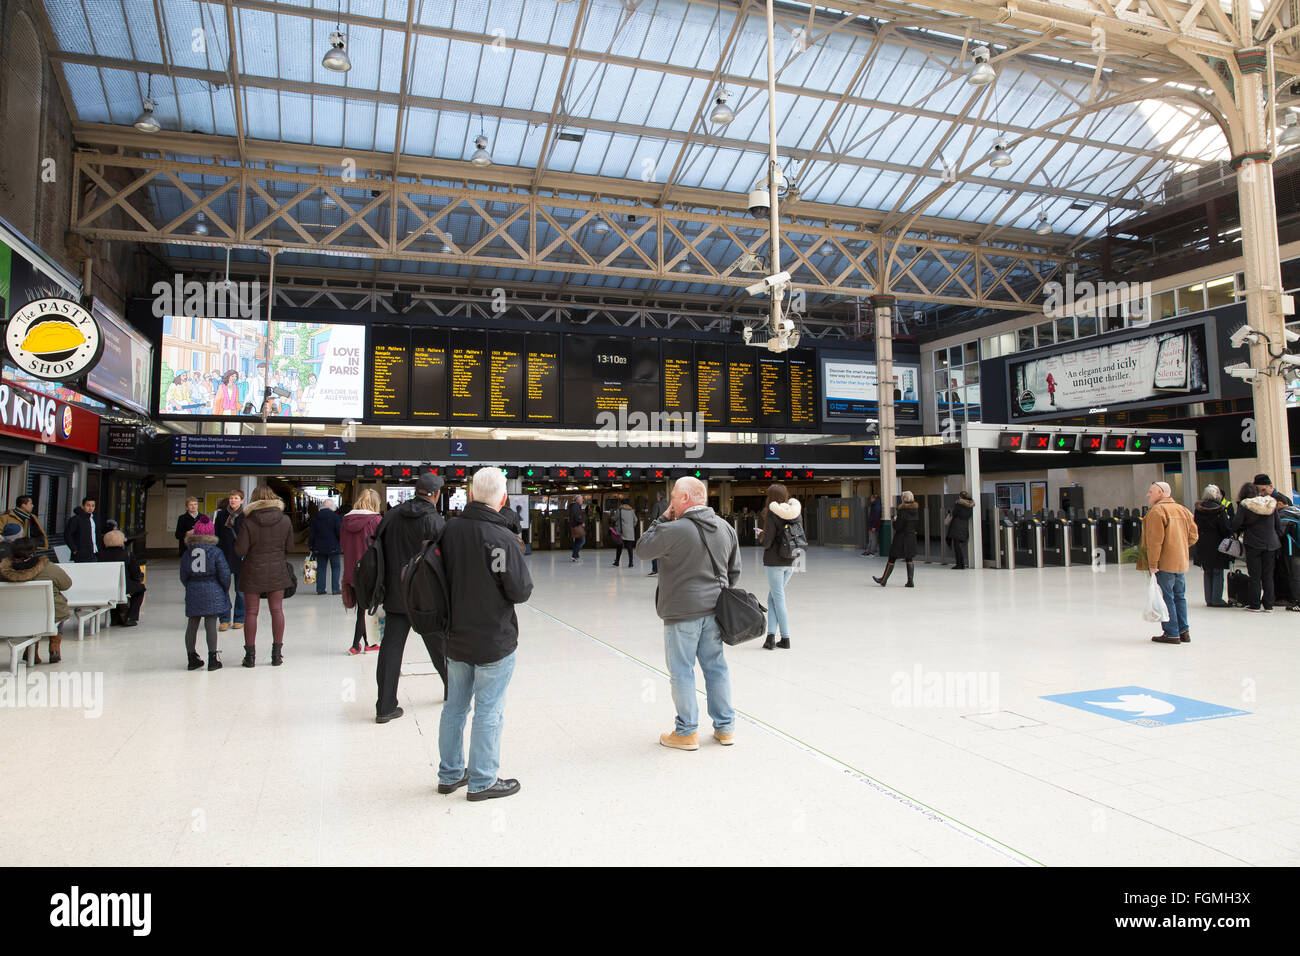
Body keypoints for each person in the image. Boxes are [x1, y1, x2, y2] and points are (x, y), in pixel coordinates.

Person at [436, 467, 535, 801]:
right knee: (488, 711)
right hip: (493, 639)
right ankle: (482, 781)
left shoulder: (448, 532)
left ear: (471, 493)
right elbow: (520, 591)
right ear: (503, 498)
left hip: (455, 637)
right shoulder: (503, 539)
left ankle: (450, 774)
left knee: (454, 707)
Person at [635, 476, 739, 750]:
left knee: (682, 671)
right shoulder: (726, 528)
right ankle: (725, 728)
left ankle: (686, 732)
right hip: (715, 613)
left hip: (681, 615)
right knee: (716, 669)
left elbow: (643, 549)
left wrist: (661, 519)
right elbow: (734, 571)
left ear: (685, 499)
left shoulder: (675, 529)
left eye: (672, 498)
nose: (670, 504)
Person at [374, 472, 447, 722]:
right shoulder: (434, 521)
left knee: (391, 648)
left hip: (395, 594)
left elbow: (376, 551)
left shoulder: (391, 516)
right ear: (436, 494)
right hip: (425, 598)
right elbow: (443, 561)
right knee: (439, 645)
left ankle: (385, 706)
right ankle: (453, 689)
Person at [234, 486, 294, 667]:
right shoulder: (285, 520)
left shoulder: (248, 521)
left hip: (252, 571)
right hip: (277, 570)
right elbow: (290, 547)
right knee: (277, 610)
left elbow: (240, 550)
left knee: (251, 612)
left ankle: (250, 657)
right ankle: (276, 655)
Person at [1141, 481, 1199, 643]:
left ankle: (1171, 633)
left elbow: (1155, 542)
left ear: (1161, 493)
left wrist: (1152, 564)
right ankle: (1183, 631)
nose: (1148, 494)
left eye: (1151, 492)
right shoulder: (1183, 510)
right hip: (1180, 561)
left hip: (1164, 563)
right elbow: (1194, 536)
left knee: (1167, 597)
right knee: (1179, 596)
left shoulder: (1157, 512)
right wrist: (1179, 546)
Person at [0, 538, 72, 664]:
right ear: (33, 553)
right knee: (58, 608)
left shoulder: (2, 572)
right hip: (46, 617)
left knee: (32, 613)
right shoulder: (49, 568)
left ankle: (31, 651)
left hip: (11, 618)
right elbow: (66, 584)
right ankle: (54, 647)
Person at [179, 516, 230, 671]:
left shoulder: (188, 552)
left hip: (194, 587)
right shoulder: (216, 552)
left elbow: (183, 575)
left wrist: (190, 585)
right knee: (210, 623)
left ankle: (191, 657)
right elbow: (224, 573)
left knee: (192, 623)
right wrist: (224, 588)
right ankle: (213, 659)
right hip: (212, 587)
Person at [756, 483, 801, 651]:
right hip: (790, 560)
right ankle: (770, 637)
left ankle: (786, 637)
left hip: (774, 562)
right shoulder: (795, 512)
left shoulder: (772, 514)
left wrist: (761, 535)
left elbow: (767, 542)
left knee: (778, 599)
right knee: (772, 599)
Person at [341, 489, 383, 656]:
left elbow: (342, 544)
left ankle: (368, 642)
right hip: (370, 570)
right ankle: (356, 644)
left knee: (362, 606)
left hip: (352, 570)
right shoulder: (376, 520)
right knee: (365, 608)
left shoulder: (345, 521)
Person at [1230, 481, 1283, 613]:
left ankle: (1255, 604)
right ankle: (1269, 605)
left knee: (1255, 575)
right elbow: (1278, 525)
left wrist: (1243, 528)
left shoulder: (1245, 506)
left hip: (1253, 544)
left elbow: (1235, 524)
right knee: (1268, 575)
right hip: (1271, 543)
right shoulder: (1270, 503)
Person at [1192, 484, 1232, 608]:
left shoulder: (1198, 509)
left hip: (1202, 544)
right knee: (1217, 572)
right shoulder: (1219, 510)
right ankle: (1217, 599)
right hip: (1217, 544)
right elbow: (1225, 528)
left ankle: (1209, 599)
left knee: (1207, 571)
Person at [100, 528, 146, 627]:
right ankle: (131, 617)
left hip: (103, 587)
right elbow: (136, 573)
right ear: (121, 542)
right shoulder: (127, 555)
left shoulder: (99, 555)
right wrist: (139, 578)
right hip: (123, 586)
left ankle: (115, 618)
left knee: (114, 592)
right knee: (140, 589)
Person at [214, 491, 246, 632]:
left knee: (240, 591)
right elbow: (216, 535)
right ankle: (224, 619)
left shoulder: (246, 515)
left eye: (236, 498)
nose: (233, 500)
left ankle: (239, 618)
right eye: (231, 498)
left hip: (240, 557)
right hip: (224, 556)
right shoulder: (221, 515)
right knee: (223, 589)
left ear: (242, 500)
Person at [874, 491, 919, 587]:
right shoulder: (915, 510)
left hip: (901, 537)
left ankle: (883, 580)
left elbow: (898, 526)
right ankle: (910, 581)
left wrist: (895, 520)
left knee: (892, 557)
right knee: (909, 558)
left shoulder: (902, 511)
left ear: (904, 499)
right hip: (911, 537)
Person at [309, 499, 343, 595]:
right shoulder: (336, 517)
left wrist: (311, 546)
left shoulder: (316, 517)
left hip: (319, 547)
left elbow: (312, 534)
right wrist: (341, 543)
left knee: (321, 568)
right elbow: (339, 533)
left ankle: (320, 589)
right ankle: (335, 589)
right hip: (334, 547)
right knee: (336, 567)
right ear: (333, 507)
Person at [65, 497, 102, 563]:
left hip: (95, 552)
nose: (90, 508)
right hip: (81, 554)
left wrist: (99, 547)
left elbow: (97, 534)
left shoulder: (95, 518)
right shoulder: (75, 519)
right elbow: (68, 535)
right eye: (88, 505)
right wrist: (74, 550)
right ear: (82, 506)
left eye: (93, 506)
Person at [947, 491, 975, 569]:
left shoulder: (959, 504)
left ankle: (959, 564)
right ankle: (961, 563)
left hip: (956, 526)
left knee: (957, 547)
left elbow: (954, 513)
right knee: (959, 546)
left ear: (960, 497)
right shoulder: (970, 505)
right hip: (964, 526)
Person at [611, 497, 638, 568]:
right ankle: (631, 563)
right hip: (630, 531)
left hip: (621, 531)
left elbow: (615, 519)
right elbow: (635, 520)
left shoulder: (619, 510)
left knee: (619, 547)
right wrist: (631, 527)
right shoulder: (631, 511)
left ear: (621, 503)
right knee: (629, 548)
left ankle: (617, 562)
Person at [648, 491, 666, 575]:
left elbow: (653, 517)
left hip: (659, 529)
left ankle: (655, 569)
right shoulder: (670, 504)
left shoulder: (657, 505)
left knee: (654, 549)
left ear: (659, 497)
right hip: (670, 529)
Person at [567, 494, 587, 562]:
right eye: (581, 499)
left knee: (577, 541)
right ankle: (575, 555)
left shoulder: (574, 506)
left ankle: (575, 556)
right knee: (582, 541)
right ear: (578, 500)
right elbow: (576, 515)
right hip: (577, 526)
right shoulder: (576, 506)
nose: (582, 500)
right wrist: (581, 522)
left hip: (574, 526)